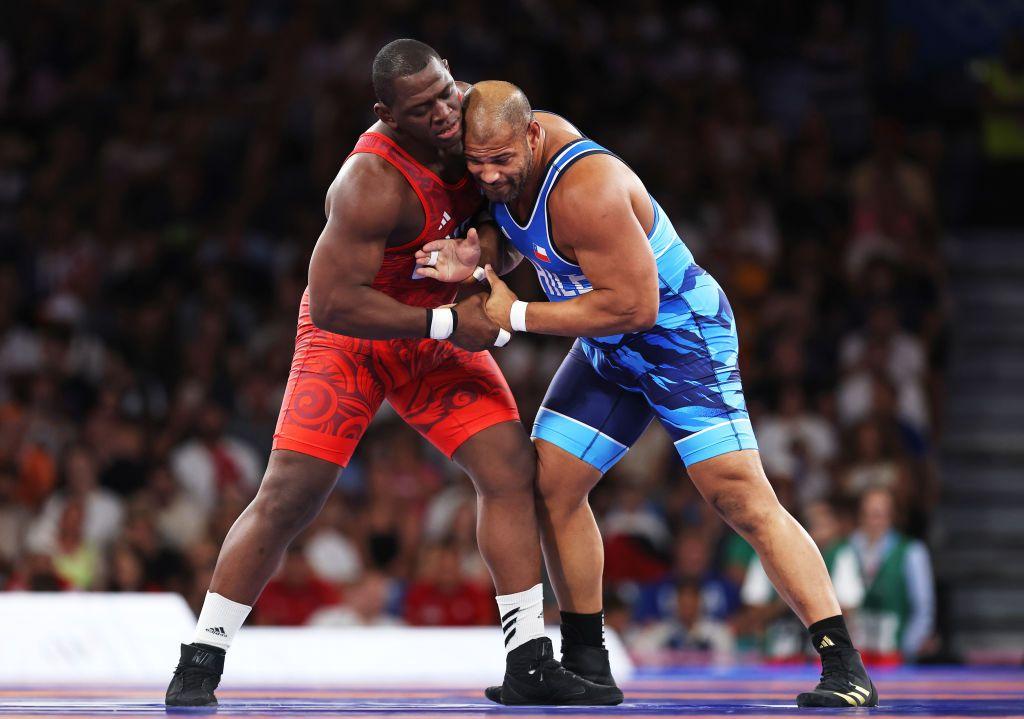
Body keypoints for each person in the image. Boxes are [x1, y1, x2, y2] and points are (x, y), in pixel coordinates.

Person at [166, 42, 617, 707]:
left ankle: (527, 658)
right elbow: (332, 302)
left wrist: (478, 256)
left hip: (434, 324)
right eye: (422, 107)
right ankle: (201, 658)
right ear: (387, 114)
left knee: (510, 472)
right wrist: (444, 324)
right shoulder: (368, 182)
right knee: (290, 495)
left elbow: (506, 227)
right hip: (353, 336)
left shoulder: (477, 121)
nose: (443, 113)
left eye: (445, 93)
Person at [422, 80, 877, 707]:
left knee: (739, 498)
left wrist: (516, 313)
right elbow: (505, 233)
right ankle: (589, 662)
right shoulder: (490, 144)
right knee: (549, 487)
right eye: (477, 163)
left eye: (501, 161)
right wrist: (478, 259)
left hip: (679, 338)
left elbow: (636, 306)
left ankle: (844, 664)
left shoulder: (589, 187)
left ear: (532, 136)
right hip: (608, 343)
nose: (490, 176)